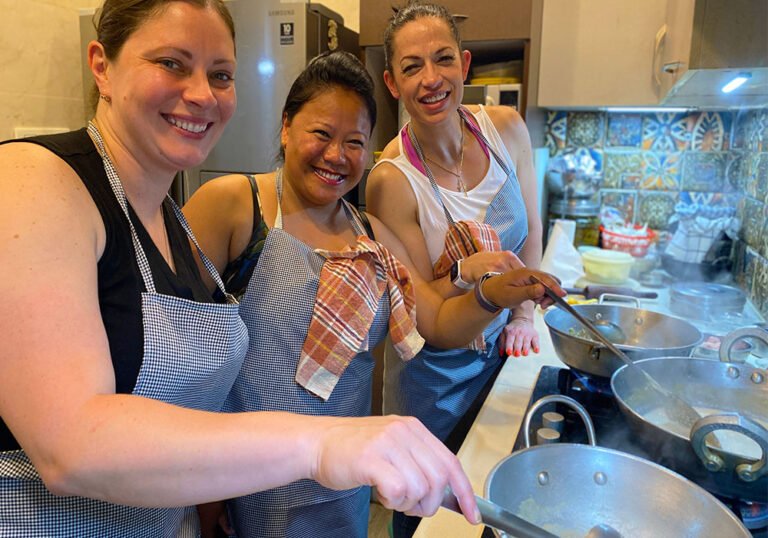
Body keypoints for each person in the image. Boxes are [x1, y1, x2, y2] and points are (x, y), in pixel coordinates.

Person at [0, 1, 500, 535]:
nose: (201, 94)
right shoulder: (33, 179)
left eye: (220, 75)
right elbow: (71, 447)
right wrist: (322, 442)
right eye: (171, 63)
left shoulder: (171, 222)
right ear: (102, 66)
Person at [182, 50, 562, 537]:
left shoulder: (371, 234)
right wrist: (202, 493)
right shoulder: (237, 206)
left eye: (355, 142)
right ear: (286, 127)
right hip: (249, 482)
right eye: (322, 134)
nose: (336, 155)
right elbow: (179, 357)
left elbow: (438, 322)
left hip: (345, 485)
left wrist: (495, 295)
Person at [365, 2, 545, 535]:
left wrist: (523, 314)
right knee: (430, 518)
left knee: (493, 507)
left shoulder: (506, 130)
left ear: (464, 65)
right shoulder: (391, 180)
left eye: (443, 59)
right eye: (412, 67)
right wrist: (469, 271)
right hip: (436, 384)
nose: (431, 78)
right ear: (392, 83)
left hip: (503, 362)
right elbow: (426, 310)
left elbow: (532, 229)